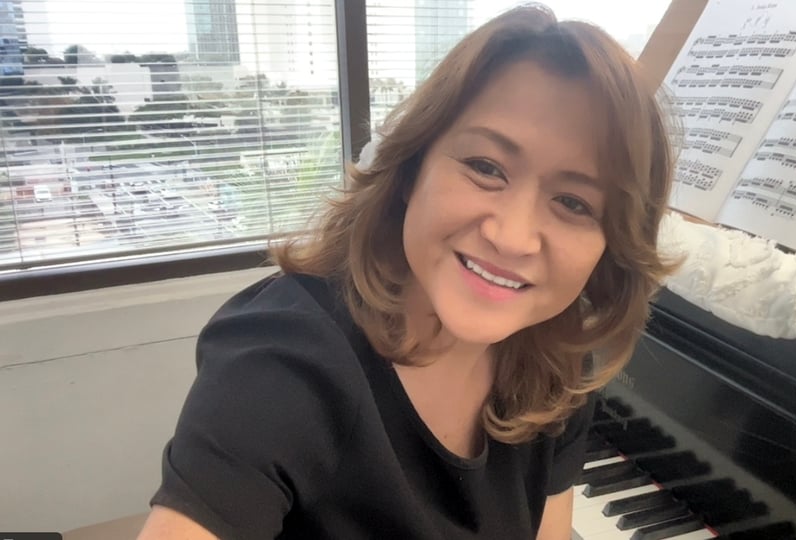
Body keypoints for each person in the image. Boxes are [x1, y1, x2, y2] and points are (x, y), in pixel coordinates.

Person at [137, 4, 678, 539]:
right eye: (485, 167)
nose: (512, 237)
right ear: (410, 167)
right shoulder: (282, 357)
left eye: (574, 203)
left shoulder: (557, 360)